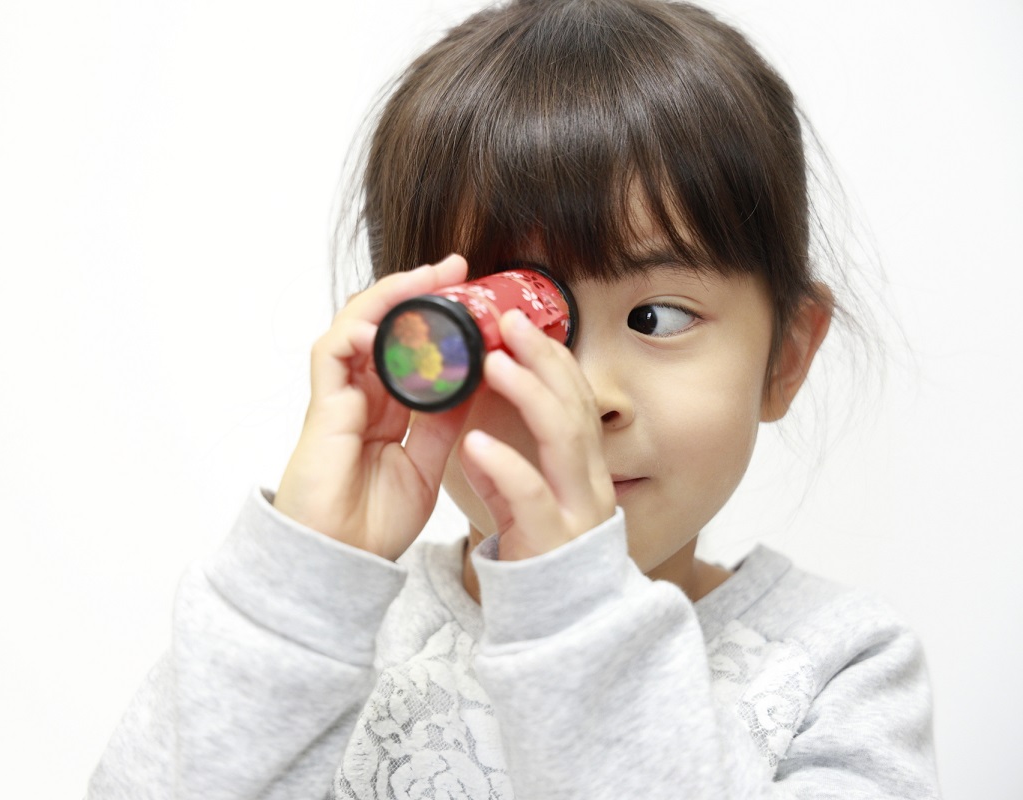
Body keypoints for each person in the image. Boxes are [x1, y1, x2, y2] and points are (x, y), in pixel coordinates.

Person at [88, 0, 939, 797]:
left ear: (785, 358)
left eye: (657, 316)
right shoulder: (335, 639)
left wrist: (576, 615)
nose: (586, 396)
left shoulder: (840, 667)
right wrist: (300, 587)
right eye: (508, 322)